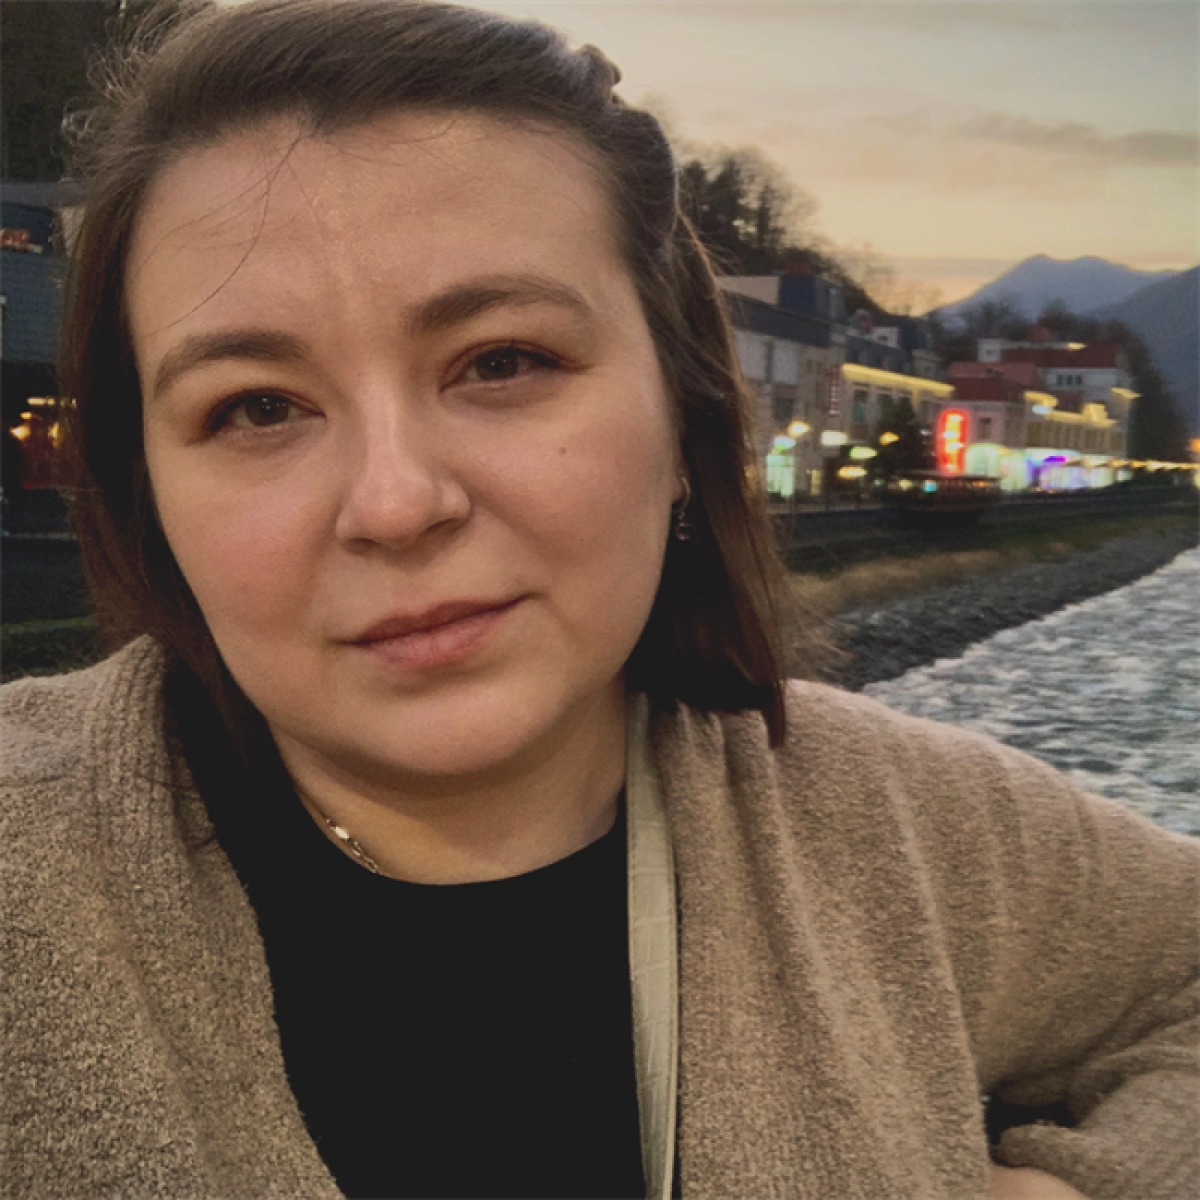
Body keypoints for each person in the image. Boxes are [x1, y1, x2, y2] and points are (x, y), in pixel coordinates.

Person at [1, 2, 1195, 1198]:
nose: (396, 504)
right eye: (257, 408)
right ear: (148, 489)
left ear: (682, 417)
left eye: (502, 362)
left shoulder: (893, 830)